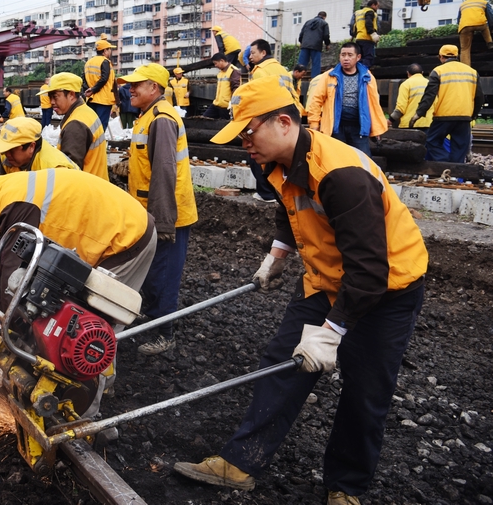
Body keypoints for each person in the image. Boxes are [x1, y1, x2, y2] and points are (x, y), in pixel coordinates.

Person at [174, 75, 427, 505]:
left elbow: (369, 271)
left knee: (365, 393)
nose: (245, 144)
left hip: (386, 289)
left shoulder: (342, 175)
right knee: (282, 364)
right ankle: (240, 463)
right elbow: (291, 207)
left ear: (285, 123)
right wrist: (276, 255)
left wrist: (331, 332)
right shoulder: (278, 163)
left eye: (249, 132)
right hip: (325, 278)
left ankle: (345, 488)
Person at [0, 167, 158, 416]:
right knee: (73, 322)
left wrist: (3, 334)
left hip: (126, 237)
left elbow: (12, 279)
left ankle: (83, 419)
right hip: (103, 233)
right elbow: (5, 270)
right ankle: (98, 387)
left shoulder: (18, 204)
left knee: (89, 330)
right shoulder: (6, 197)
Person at [117, 64, 197, 355]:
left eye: (137, 84)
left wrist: (163, 224)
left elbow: (164, 172)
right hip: (152, 212)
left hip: (166, 214)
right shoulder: (148, 116)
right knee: (153, 273)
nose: (131, 89)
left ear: (155, 88)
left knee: (163, 275)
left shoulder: (161, 120)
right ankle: (154, 321)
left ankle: (166, 334)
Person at [305, 43, 387, 156]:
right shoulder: (329, 76)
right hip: (335, 127)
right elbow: (316, 100)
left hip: (359, 127)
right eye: (343, 55)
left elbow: (374, 103)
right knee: (336, 160)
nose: (346, 58)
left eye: (350, 55)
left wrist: (376, 128)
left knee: (363, 161)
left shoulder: (367, 76)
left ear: (358, 57)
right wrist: (314, 123)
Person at [245, 39, 303, 202]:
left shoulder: (260, 71)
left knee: (256, 153)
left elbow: (257, 98)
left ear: (263, 53)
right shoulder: (282, 69)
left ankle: (266, 192)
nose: (250, 56)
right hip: (289, 116)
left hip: (270, 116)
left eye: (253, 53)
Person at [411, 44, 483, 163]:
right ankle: (456, 173)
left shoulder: (438, 71)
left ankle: (445, 163)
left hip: (443, 116)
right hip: (464, 117)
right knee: (460, 147)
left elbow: (429, 95)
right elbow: (479, 97)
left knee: (432, 141)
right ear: (457, 56)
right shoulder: (472, 72)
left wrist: (419, 113)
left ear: (440, 57)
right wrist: (473, 115)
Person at [39, 72, 108, 180]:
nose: (51, 102)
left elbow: (69, 175)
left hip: (86, 191)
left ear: (71, 95)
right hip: (96, 184)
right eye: (50, 97)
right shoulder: (85, 112)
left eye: (55, 97)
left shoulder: (75, 125)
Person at [0, 117, 78, 173]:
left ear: (31, 147)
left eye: (11, 149)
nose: (6, 154)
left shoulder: (55, 169)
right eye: (4, 148)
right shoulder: (6, 157)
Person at [84, 35, 118, 126]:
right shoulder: (105, 61)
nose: (110, 51)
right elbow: (104, 79)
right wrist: (93, 89)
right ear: (104, 51)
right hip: (103, 100)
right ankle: (99, 141)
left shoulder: (88, 62)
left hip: (91, 99)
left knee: (91, 125)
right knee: (101, 126)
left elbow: (84, 80)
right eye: (109, 49)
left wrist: (88, 91)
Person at [388, 64, 433, 129]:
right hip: (429, 124)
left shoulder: (406, 84)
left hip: (409, 125)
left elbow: (401, 108)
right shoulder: (430, 84)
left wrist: (390, 120)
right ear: (422, 73)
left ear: (408, 73)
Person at [457, 0, 493, 67]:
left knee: (464, 49)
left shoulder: (463, 4)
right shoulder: (484, 2)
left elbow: (458, 19)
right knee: (485, 27)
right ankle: (489, 42)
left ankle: (466, 68)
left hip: (465, 26)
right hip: (480, 24)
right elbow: (491, 17)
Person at [203, 53, 240, 120]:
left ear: (222, 61)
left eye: (216, 63)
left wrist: (233, 106)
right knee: (204, 119)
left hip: (226, 107)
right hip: (217, 104)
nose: (215, 65)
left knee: (225, 125)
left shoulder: (233, 71)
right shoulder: (220, 73)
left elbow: (237, 89)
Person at [298, 11, 331, 77]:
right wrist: (327, 44)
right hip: (316, 46)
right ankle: (314, 81)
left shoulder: (308, 22)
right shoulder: (324, 23)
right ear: (324, 17)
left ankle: (297, 79)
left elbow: (301, 33)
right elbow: (326, 35)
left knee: (301, 64)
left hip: (305, 45)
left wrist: (301, 42)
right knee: (316, 64)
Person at [352, 0, 381, 69]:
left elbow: (354, 26)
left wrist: (353, 35)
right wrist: (373, 34)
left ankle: (358, 73)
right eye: (377, 6)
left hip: (359, 38)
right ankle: (364, 74)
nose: (377, 8)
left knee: (359, 58)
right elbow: (368, 23)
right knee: (368, 58)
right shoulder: (370, 11)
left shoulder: (358, 13)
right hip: (367, 38)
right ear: (373, 5)